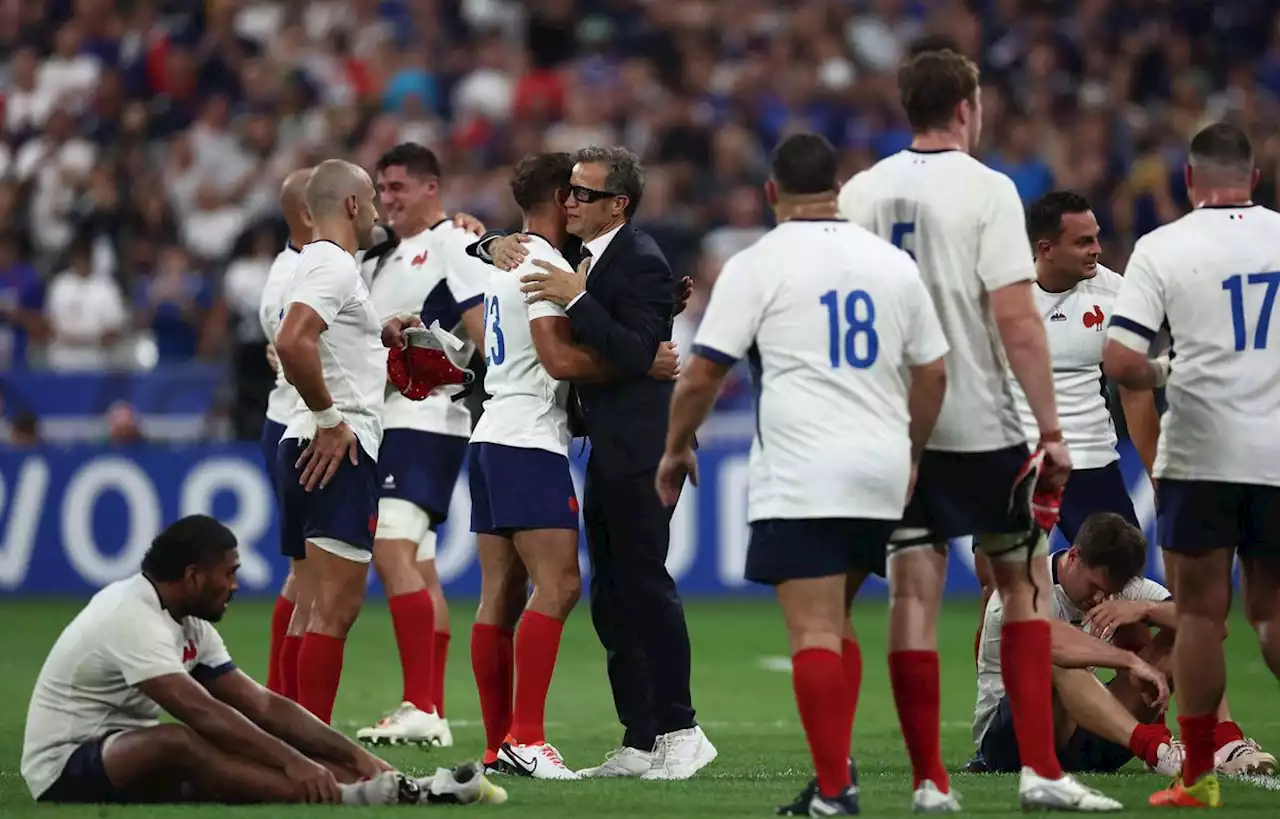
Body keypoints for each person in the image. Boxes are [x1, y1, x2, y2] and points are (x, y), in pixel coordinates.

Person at [838, 48, 1121, 811]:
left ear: (907, 106)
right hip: (982, 421)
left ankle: (931, 782)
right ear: (967, 106)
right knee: (1025, 590)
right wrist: (1053, 429)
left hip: (897, 429)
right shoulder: (989, 190)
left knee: (912, 597)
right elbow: (1015, 317)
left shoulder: (862, 193)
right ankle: (1040, 770)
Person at [658, 132, 949, 816]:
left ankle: (833, 790)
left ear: (770, 193)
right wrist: (911, 450)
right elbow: (933, 369)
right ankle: (834, 770)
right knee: (836, 617)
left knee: (812, 629)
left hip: (805, 462)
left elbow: (704, 370)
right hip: (880, 465)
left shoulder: (759, 263)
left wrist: (674, 446)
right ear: (840, 191)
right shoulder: (891, 263)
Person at [479, 147, 713, 781]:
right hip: (605, 446)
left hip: (642, 449)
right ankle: (640, 737)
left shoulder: (634, 259)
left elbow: (640, 350)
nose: (573, 201)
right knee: (612, 597)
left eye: (585, 193)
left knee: (645, 586)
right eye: (569, 192)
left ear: (619, 205)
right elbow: (634, 339)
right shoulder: (591, 261)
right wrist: (495, 245)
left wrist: (577, 299)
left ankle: (682, 729)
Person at [20, 514, 506, 807]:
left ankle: (387, 785)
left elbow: (264, 706)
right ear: (192, 576)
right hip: (65, 767)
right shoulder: (130, 615)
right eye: (228, 573)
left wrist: (356, 757)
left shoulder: (189, 622)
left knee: (245, 751)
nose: (236, 584)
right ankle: (346, 797)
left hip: (118, 753)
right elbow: (204, 712)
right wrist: (296, 766)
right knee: (180, 742)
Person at [1103, 122, 1280, 809]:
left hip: (1202, 452)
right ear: (1255, 180)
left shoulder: (1162, 247)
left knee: (1202, 615)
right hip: (1276, 448)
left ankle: (1200, 774)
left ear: (1188, 180)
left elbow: (1121, 363)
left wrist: (1166, 365)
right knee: (1272, 613)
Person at [470, 151, 616, 779]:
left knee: (499, 597)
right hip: (529, 437)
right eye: (577, 194)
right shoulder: (545, 264)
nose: (582, 203)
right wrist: (637, 363)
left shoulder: (509, 258)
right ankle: (527, 738)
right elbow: (558, 360)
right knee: (558, 586)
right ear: (562, 200)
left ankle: (497, 744)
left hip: (491, 431)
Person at [970, 191, 1159, 658]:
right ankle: (999, 719)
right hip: (1015, 462)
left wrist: (1157, 473)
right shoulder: (997, 297)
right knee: (997, 598)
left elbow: (1135, 393)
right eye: (1083, 242)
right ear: (1045, 247)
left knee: (1125, 607)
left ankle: (1137, 726)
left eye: (1096, 238)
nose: (1097, 249)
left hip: (1090, 461)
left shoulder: (1117, 294)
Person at [974, 513, 1276, 778]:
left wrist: (1146, 609)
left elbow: (1214, 627)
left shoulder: (1126, 588)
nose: (1099, 598)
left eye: (1110, 592)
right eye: (1094, 587)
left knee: (1188, 636)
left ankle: (1223, 740)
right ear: (1075, 556)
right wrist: (1131, 662)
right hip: (1012, 743)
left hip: (1087, 740)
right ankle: (1155, 749)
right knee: (1055, 659)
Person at [356, 143, 488, 748]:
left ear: (432, 189)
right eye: (382, 190)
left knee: (390, 551)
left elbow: (472, 329)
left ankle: (422, 703)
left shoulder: (453, 242)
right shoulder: (383, 253)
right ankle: (429, 709)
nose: (388, 200)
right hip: (392, 421)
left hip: (426, 418)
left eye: (399, 188)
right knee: (422, 562)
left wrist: (445, 360)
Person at [273, 158, 406, 725]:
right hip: (334, 447)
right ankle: (316, 750)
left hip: (302, 442)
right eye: (372, 197)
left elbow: (323, 341)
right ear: (351, 205)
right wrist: (330, 418)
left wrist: (385, 332)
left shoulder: (314, 264)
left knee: (310, 609)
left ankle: (298, 742)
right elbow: (292, 340)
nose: (377, 209)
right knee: (336, 610)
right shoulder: (334, 266)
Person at [258, 166, 312, 701]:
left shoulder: (291, 266)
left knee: (307, 574)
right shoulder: (297, 277)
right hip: (301, 423)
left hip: (288, 420)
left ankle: (280, 694)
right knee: (311, 578)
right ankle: (284, 697)